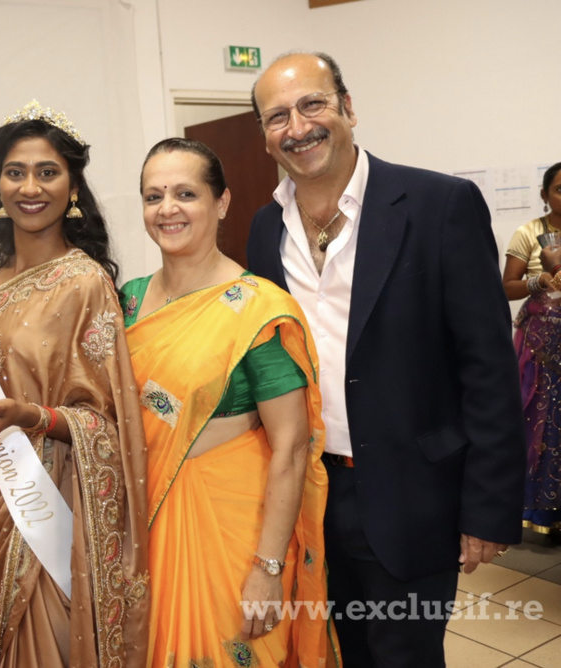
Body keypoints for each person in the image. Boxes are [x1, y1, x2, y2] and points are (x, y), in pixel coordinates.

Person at [246, 52, 526, 667]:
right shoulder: (265, 230)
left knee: (406, 654)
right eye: (276, 117)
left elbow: (487, 367)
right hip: (310, 494)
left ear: (348, 108)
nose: (297, 127)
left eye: (312, 104)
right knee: (340, 655)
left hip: (411, 494)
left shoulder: (438, 205)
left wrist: (488, 507)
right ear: (265, 137)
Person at [122, 137, 335, 667]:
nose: (167, 209)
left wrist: (266, 569)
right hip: (143, 529)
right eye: (153, 196)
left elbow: (290, 446)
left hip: (233, 532)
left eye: (185, 193)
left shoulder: (259, 307)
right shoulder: (124, 301)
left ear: (221, 203)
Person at [0, 101, 149, 668]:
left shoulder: (85, 283)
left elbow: (108, 419)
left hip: (51, 504)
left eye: (48, 172)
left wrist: (31, 417)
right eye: (15, 172)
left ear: (73, 188)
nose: (30, 187)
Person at [503, 162, 561, 538]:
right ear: (544, 195)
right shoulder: (529, 234)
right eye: (559, 189)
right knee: (537, 420)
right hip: (541, 345)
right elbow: (506, 287)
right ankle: (538, 511)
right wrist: (539, 279)